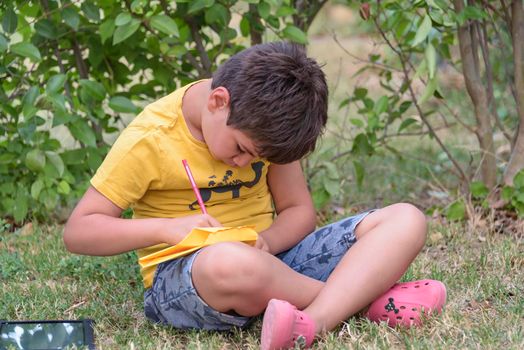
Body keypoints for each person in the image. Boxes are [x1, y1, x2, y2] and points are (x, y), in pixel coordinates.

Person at [63, 41, 446, 349]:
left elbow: (298, 211)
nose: (247, 165)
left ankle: (313, 321)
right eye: (242, 149)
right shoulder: (151, 138)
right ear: (218, 102)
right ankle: (368, 301)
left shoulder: (266, 130)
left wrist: (267, 241)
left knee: (406, 219)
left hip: (276, 262)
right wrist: (168, 229)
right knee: (230, 263)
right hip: (191, 278)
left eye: (258, 158)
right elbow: (79, 231)